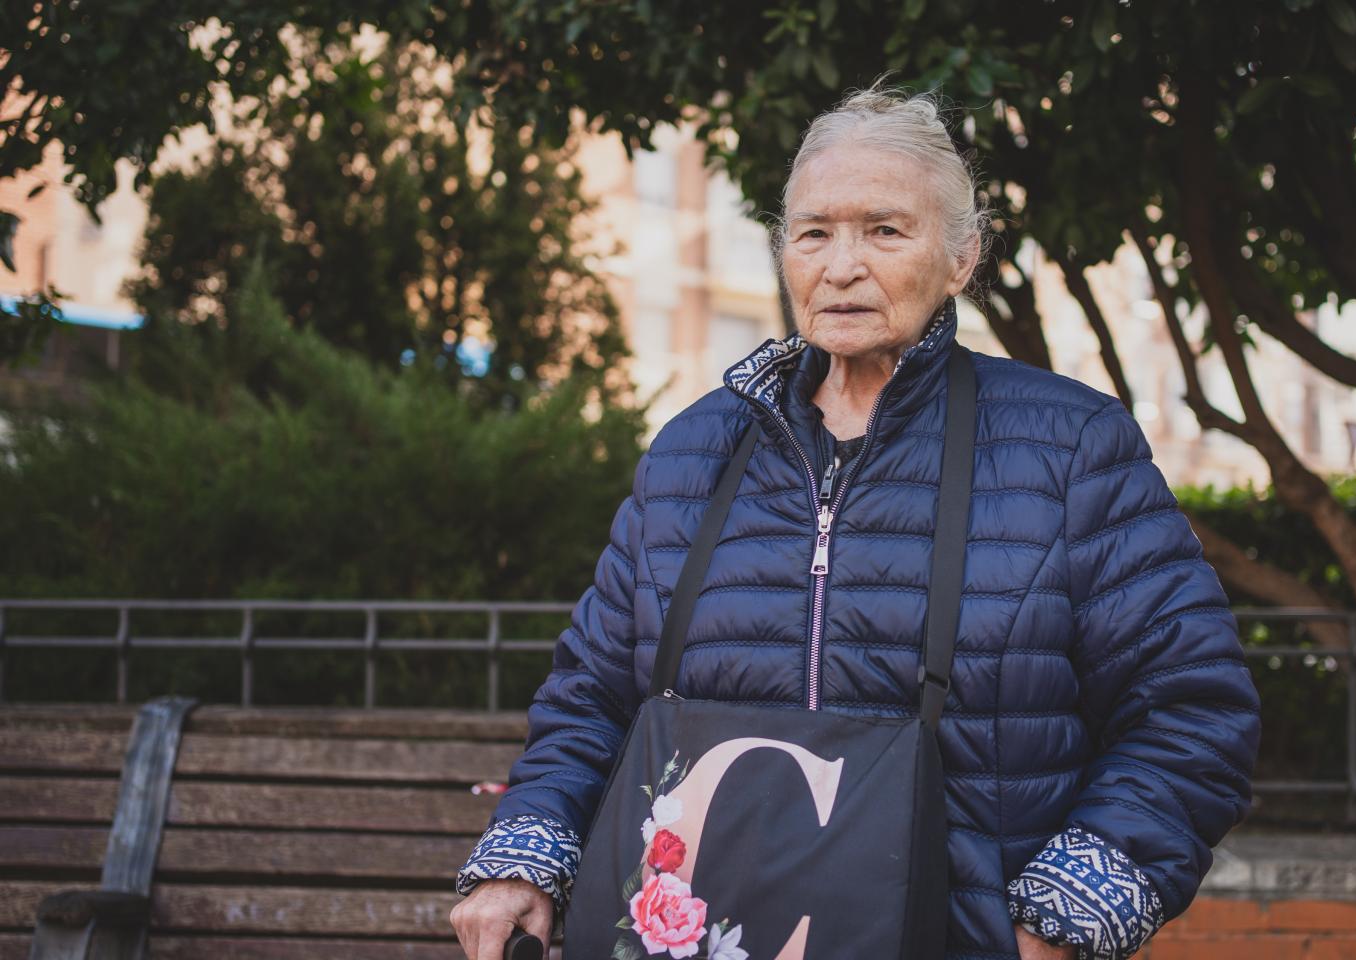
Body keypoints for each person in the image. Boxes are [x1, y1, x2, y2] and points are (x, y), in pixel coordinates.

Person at [449, 84, 1260, 960]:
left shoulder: (1070, 448)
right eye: (813, 232)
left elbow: (1191, 712)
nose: (841, 265)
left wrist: (1060, 916)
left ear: (961, 258)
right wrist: (525, 857)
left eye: (884, 230)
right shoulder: (694, 452)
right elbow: (591, 701)